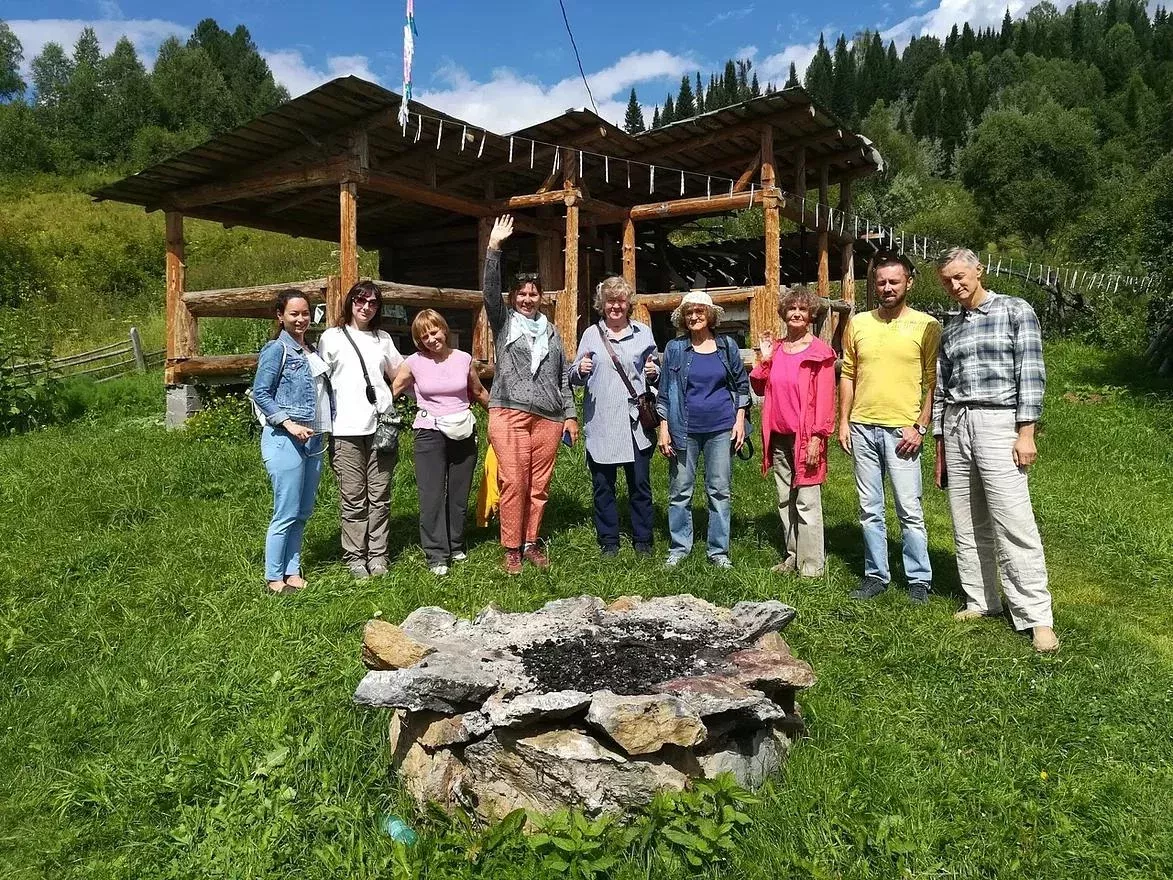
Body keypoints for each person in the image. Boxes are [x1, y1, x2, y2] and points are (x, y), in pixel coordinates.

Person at [934, 247, 1058, 653]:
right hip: (956, 422)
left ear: (978, 271)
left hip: (998, 421)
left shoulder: (1014, 310)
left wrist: (1027, 432)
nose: (955, 285)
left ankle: (1037, 616)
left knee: (1012, 519)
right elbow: (940, 386)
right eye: (947, 280)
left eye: (960, 276)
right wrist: (940, 440)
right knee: (967, 519)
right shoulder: (950, 326)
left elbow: (1032, 373)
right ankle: (982, 599)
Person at [838, 251, 940, 604]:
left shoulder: (927, 325)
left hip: (903, 431)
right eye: (880, 282)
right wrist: (843, 421)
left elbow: (933, 381)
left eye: (894, 281)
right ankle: (875, 575)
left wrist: (921, 426)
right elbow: (848, 374)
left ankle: (919, 580)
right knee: (869, 508)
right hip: (863, 425)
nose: (887, 288)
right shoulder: (859, 323)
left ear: (909, 282)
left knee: (909, 509)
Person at [482, 215, 579, 575]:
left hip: (549, 418)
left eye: (533, 293)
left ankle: (530, 542)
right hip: (509, 412)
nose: (527, 298)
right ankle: (511, 548)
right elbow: (489, 292)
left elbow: (562, 376)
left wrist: (570, 414)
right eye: (521, 294)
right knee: (515, 481)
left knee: (539, 486)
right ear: (514, 298)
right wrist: (494, 248)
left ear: (541, 298)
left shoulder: (552, 333)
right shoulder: (504, 322)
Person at [656, 291, 750, 568]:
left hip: (721, 427)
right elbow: (664, 392)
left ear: (710, 316)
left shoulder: (727, 346)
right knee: (680, 490)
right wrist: (664, 428)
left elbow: (741, 385)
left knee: (719, 490)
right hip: (683, 427)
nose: (694, 317)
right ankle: (679, 548)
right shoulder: (675, 348)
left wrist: (740, 419)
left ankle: (718, 552)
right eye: (689, 313)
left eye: (699, 312)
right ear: (683, 319)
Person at [393, 309, 489, 576]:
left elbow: (479, 391)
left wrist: (500, 416)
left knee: (459, 493)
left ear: (444, 330)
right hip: (429, 432)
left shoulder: (463, 359)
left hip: (463, 430)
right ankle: (436, 553)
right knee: (432, 494)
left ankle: (455, 544)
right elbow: (394, 389)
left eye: (434, 332)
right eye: (423, 336)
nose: (430, 339)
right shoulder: (413, 362)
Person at [318, 281, 403, 579]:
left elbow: (401, 374)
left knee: (380, 495)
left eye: (372, 302)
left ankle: (378, 555)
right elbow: (320, 384)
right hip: (345, 429)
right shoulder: (331, 338)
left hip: (382, 428)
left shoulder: (383, 339)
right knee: (353, 497)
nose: (366, 307)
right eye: (360, 300)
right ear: (350, 302)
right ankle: (355, 557)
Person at [569, 276, 659, 557]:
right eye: (611, 301)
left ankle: (643, 539)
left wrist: (654, 371)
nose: (616, 306)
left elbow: (655, 370)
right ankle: (609, 541)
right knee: (603, 486)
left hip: (635, 422)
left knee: (640, 485)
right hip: (603, 421)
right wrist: (580, 370)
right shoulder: (590, 335)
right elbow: (572, 376)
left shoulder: (643, 333)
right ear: (602, 305)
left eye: (621, 301)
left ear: (628, 304)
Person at [750, 286, 836, 577]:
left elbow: (825, 399)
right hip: (778, 434)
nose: (797, 314)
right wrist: (763, 359)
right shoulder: (776, 349)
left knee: (807, 500)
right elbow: (760, 387)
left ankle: (812, 566)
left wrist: (817, 437)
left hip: (806, 437)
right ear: (784, 314)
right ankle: (793, 557)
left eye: (803, 309)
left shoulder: (819, 353)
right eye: (791, 309)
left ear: (811, 315)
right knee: (785, 497)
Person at [250, 290, 332, 594]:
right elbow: (261, 392)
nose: (301, 319)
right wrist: (288, 423)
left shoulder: (310, 349)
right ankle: (274, 577)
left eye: (305, 313)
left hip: (314, 438)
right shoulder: (276, 349)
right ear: (280, 315)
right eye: (294, 314)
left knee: (303, 510)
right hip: (285, 439)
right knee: (285, 510)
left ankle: (292, 571)